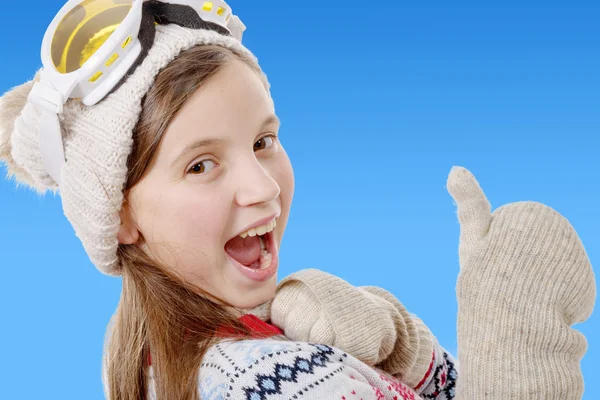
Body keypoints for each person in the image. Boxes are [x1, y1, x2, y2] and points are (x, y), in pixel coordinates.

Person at [0, 1, 594, 399]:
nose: (262, 187)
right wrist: (517, 328)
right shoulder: (263, 381)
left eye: (263, 141)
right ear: (121, 215)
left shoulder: (173, 358)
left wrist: (398, 345)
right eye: (201, 164)